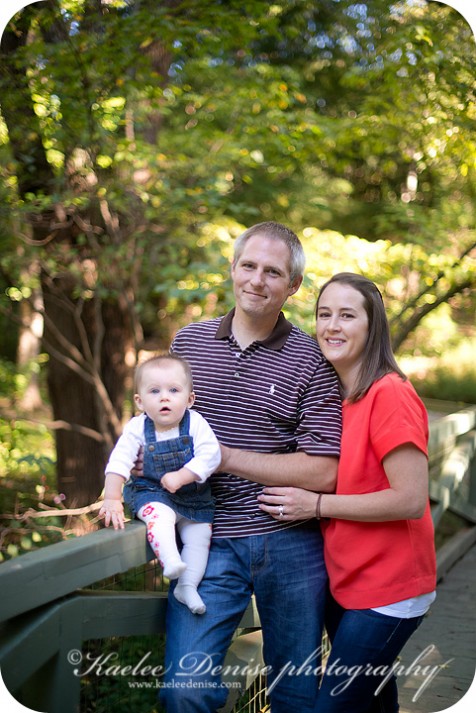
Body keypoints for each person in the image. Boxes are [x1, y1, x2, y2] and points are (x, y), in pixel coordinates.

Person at [159, 222, 342, 713]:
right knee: (185, 690)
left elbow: (325, 472)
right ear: (233, 269)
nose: (257, 280)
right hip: (207, 539)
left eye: (273, 272)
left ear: (293, 285)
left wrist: (224, 457)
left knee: (296, 696)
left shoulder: (313, 358)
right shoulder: (189, 343)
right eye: (249, 266)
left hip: (291, 542)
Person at [258, 272, 437, 713]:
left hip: (392, 587)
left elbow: (411, 498)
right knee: (374, 703)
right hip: (348, 582)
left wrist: (315, 504)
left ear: (372, 326)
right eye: (324, 314)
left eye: (347, 315)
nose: (332, 326)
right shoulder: (336, 395)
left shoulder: (389, 393)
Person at [99, 353, 221, 615]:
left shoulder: (195, 422)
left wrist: (182, 476)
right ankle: (170, 560)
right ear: (140, 401)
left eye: (173, 390)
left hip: (193, 498)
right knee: (161, 516)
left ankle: (187, 585)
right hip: (150, 493)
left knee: (200, 537)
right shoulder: (137, 428)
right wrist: (111, 497)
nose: (164, 397)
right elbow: (119, 462)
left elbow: (211, 455)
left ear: (190, 399)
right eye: (154, 391)